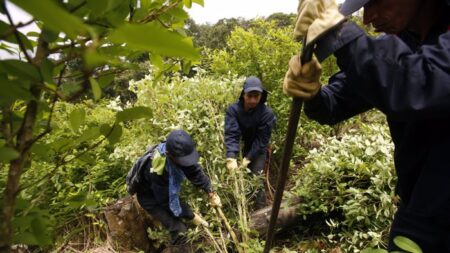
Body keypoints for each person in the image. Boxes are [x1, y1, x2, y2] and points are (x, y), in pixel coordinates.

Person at [283, 0, 450, 251]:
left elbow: (416, 84)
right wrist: (313, 93)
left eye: (375, 2)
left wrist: (337, 32)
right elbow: (334, 104)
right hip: (419, 213)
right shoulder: (399, 45)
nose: (368, 18)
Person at [132, 129, 221, 250]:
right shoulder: (157, 170)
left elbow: (194, 171)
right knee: (180, 231)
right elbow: (166, 201)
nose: (185, 162)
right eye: (182, 160)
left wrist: (210, 191)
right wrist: (191, 216)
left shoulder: (180, 154)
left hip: (162, 193)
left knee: (183, 223)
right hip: (150, 199)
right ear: (169, 154)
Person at [224, 76, 276, 209]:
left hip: (259, 149)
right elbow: (232, 133)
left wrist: (248, 159)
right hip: (242, 146)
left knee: (256, 178)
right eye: (249, 96)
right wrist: (231, 156)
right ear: (243, 94)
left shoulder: (267, 114)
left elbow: (262, 140)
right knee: (241, 179)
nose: (253, 100)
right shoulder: (233, 110)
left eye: (256, 96)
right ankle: (244, 209)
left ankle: (262, 210)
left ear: (261, 96)